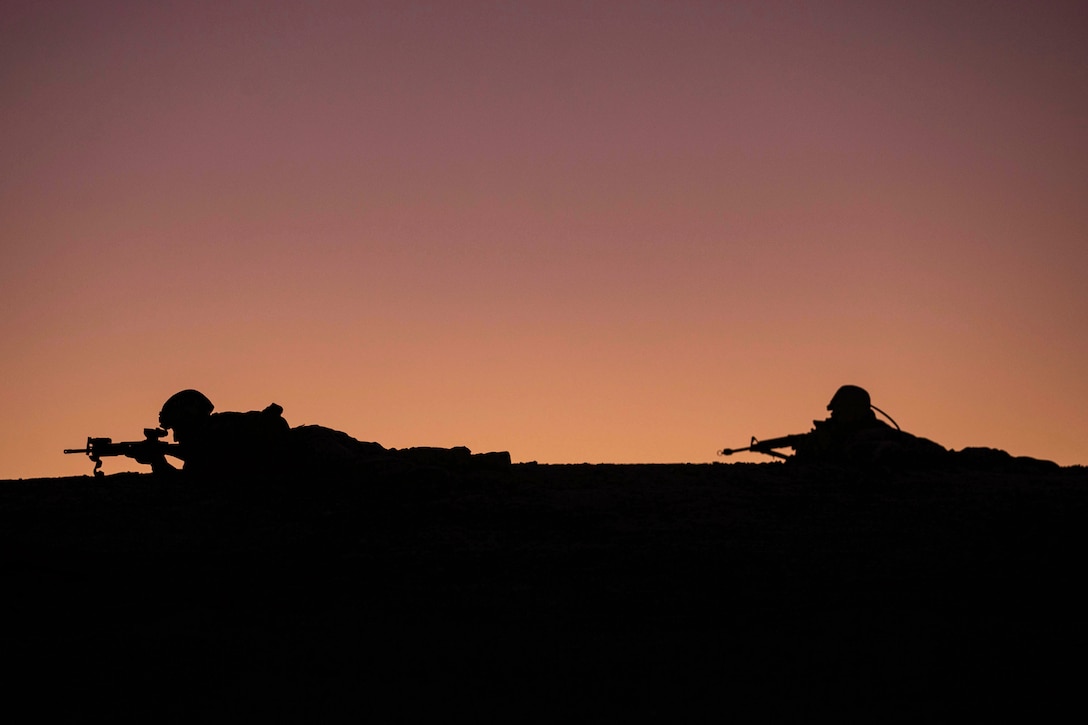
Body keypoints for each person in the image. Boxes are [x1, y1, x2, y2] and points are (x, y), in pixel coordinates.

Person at [145, 389, 509, 476]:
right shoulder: (220, 427)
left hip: (310, 451)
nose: (174, 434)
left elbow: (198, 483)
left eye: (175, 426)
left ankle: (473, 466)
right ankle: (473, 460)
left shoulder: (215, 434)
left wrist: (157, 461)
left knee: (385, 470)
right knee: (390, 457)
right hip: (311, 440)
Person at [790, 385, 948, 467]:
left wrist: (827, 449)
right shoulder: (839, 434)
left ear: (853, 409)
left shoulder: (875, 433)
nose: (834, 416)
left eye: (838, 411)